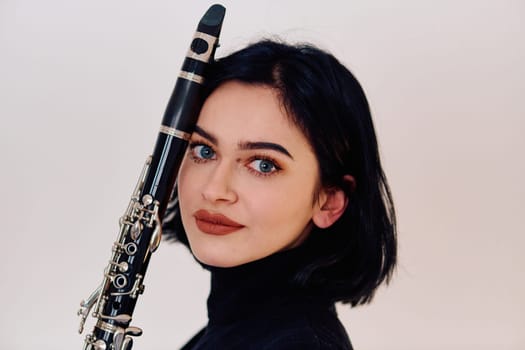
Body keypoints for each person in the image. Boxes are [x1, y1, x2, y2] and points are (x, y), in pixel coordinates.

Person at [162, 39, 397, 350]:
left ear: (329, 201)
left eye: (263, 164)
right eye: (204, 150)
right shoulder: (230, 331)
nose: (214, 190)